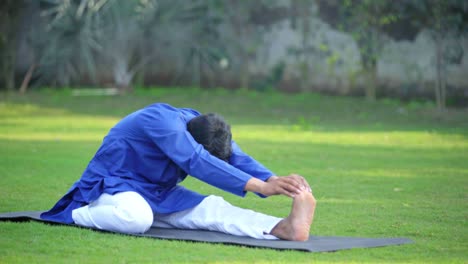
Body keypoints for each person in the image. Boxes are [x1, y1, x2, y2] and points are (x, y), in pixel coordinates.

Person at [41, 103, 316, 241]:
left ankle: (282, 228)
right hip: (110, 186)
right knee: (138, 218)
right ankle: (75, 215)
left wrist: (272, 179)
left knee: (213, 208)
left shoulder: (203, 127)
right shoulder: (162, 121)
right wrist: (259, 187)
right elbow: (195, 160)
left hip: (157, 193)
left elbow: (232, 154)